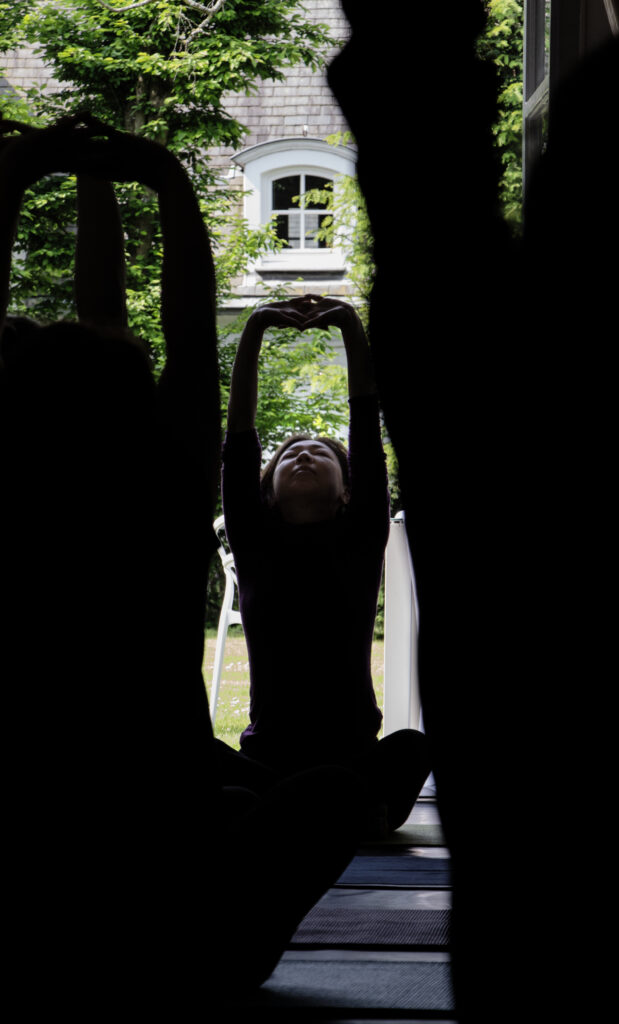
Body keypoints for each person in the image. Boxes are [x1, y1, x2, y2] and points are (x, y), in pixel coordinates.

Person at [0, 117, 367, 1014]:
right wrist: (158, 179)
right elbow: (186, 330)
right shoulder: (162, 495)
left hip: (28, 862)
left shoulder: (8, 497)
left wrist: (23, 172)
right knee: (303, 797)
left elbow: (109, 319)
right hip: (166, 860)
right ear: (139, 405)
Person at [219, 293, 431, 835]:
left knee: (412, 747)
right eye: (290, 454)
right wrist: (254, 328)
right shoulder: (255, 541)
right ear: (268, 493)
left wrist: (351, 325)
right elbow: (238, 440)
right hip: (269, 759)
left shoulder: (360, 538)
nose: (304, 453)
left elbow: (366, 428)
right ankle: (341, 810)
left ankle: (292, 810)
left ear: (347, 492)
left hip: (351, 757)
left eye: (321, 452)